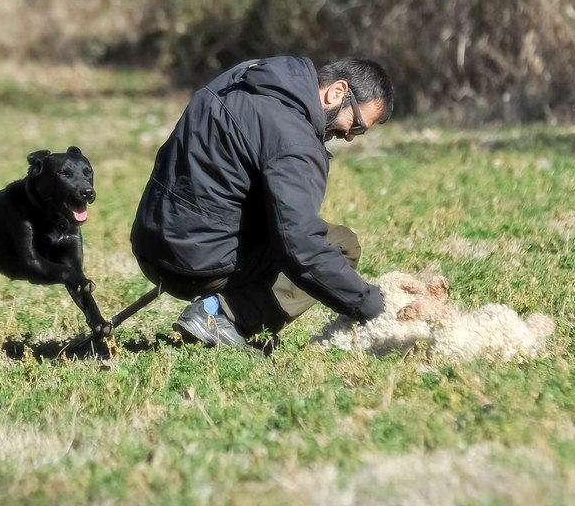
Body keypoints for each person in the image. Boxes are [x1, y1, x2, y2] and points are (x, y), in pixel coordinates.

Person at [130, 56, 395, 348]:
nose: (349, 137)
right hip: (193, 265)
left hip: (150, 244)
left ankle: (221, 308)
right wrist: (372, 307)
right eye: (356, 125)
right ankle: (222, 316)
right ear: (337, 91)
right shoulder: (295, 140)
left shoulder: (245, 75)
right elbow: (301, 247)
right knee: (341, 243)